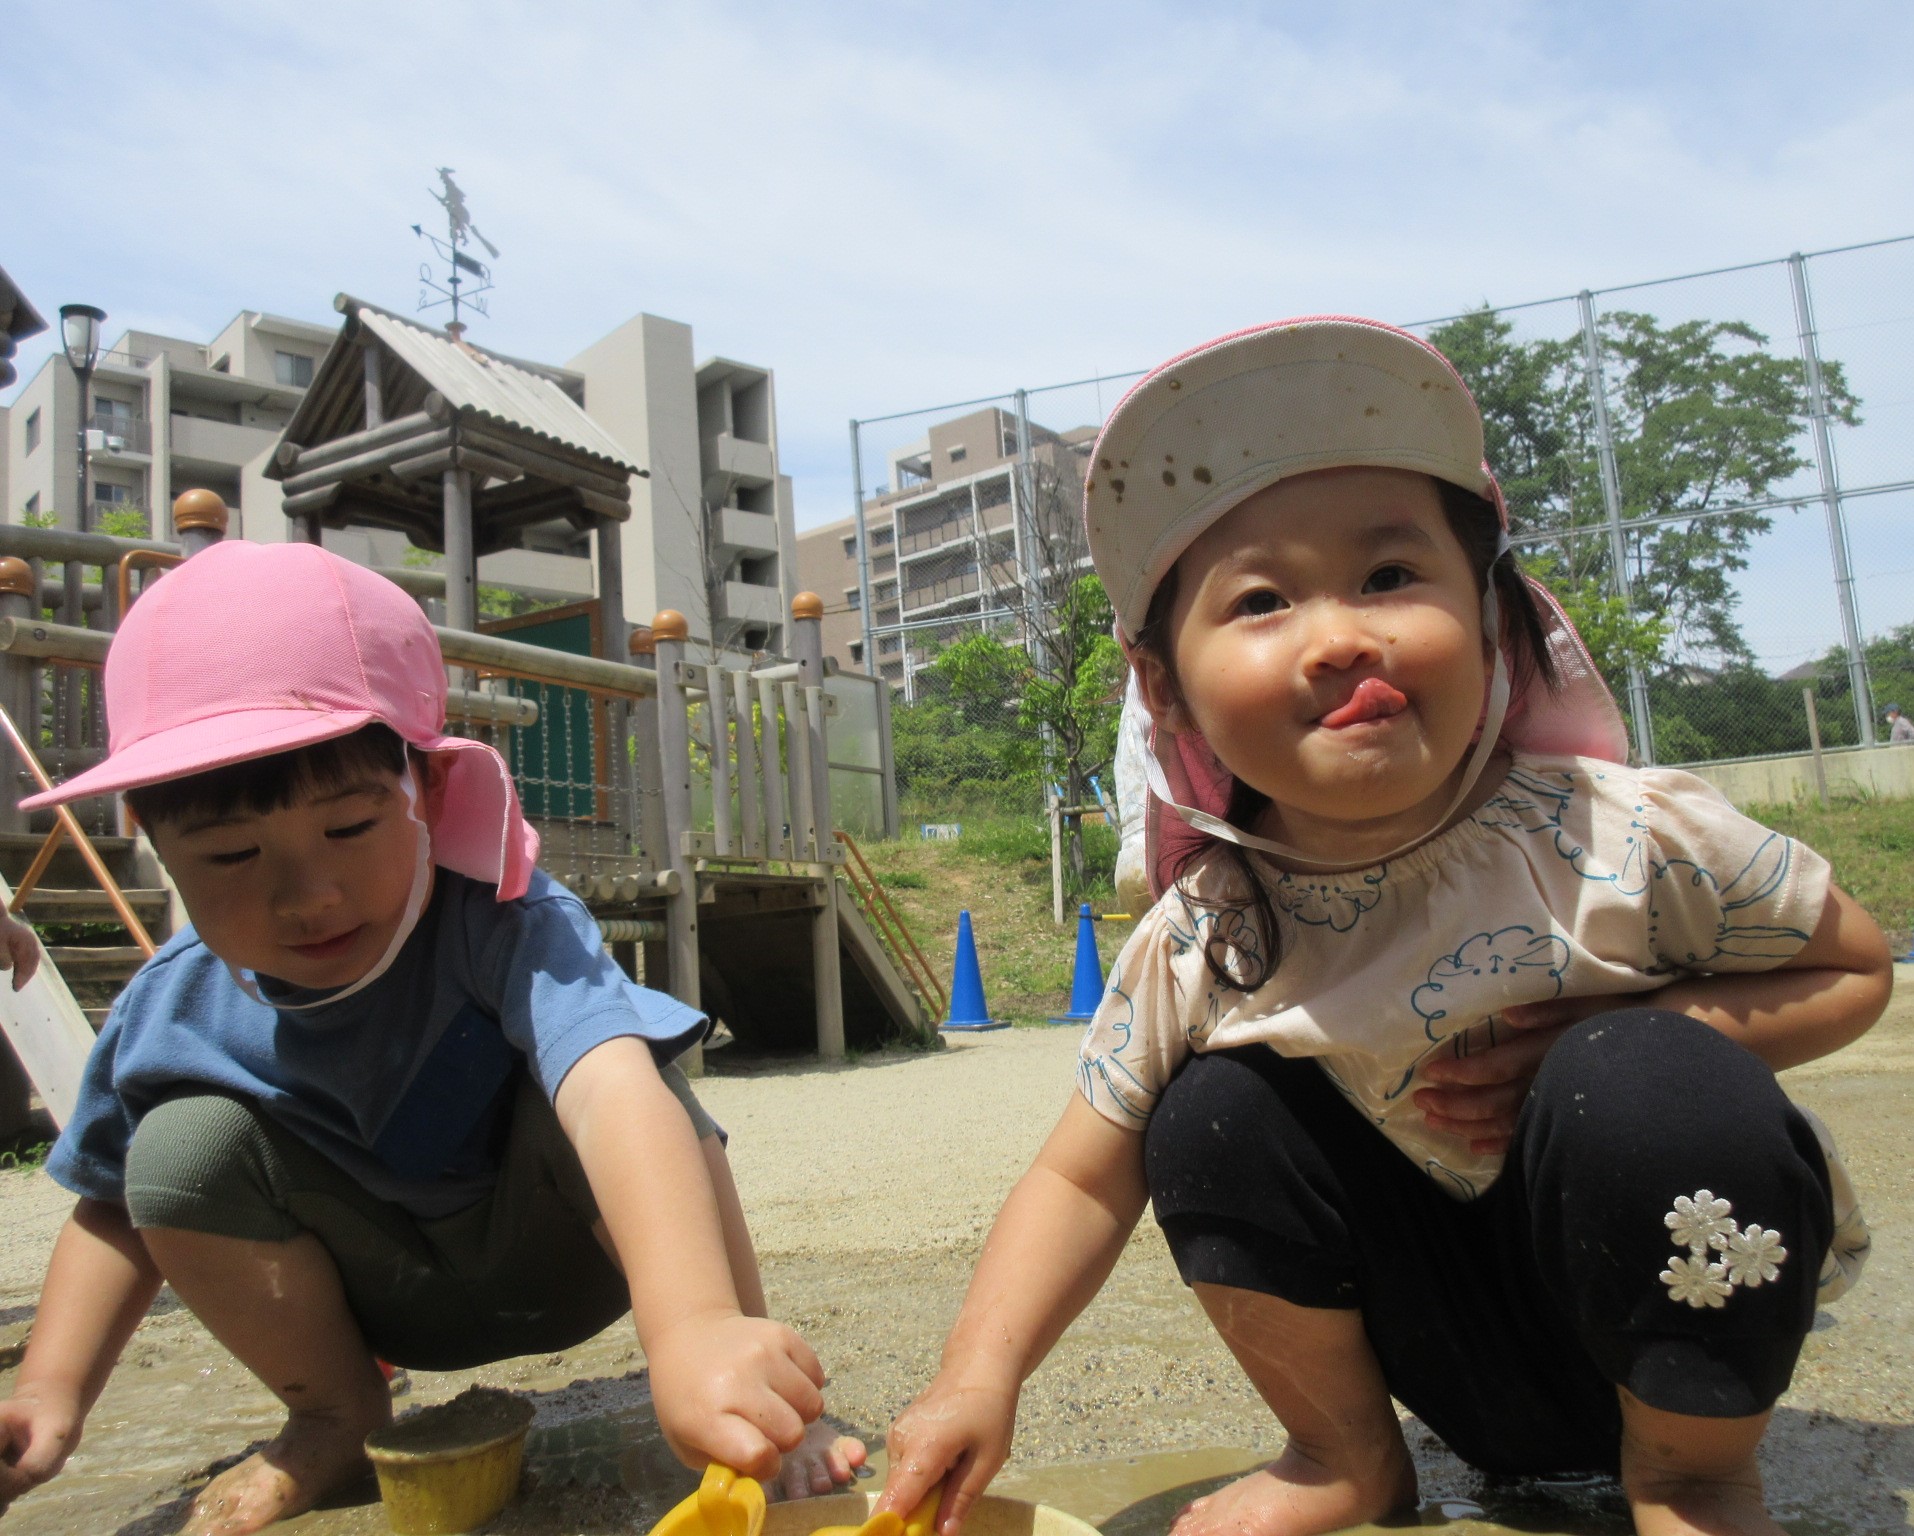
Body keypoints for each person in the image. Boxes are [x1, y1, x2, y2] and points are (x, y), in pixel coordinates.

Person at [880, 318, 1888, 1536]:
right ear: (1164, 687)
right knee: (1207, 1111)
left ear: (1493, 613)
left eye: (1391, 576)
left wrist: (1653, 1027)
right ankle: (1344, 1453)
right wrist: (976, 1377)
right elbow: (1077, 1177)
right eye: (1261, 599)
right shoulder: (1211, 935)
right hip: (1446, 1351)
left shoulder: (1615, 834)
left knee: (1646, 1076)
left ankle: (1694, 1480)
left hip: (1671, 1321)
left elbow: (1855, 965)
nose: (1342, 634)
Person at [0, 543, 862, 1535]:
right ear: (157, 844)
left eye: (350, 829)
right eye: (232, 854)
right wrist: (48, 1396)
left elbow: (609, 1094)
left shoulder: (503, 921)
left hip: (558, 1258)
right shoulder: (169, 1007)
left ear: (432, 791)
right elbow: (114, 1210)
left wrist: (694, 1326)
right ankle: (333, 1418)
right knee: (172, 1149)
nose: (308, 894)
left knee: (628, 1071)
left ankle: (746, 1377)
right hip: (378, 1301)